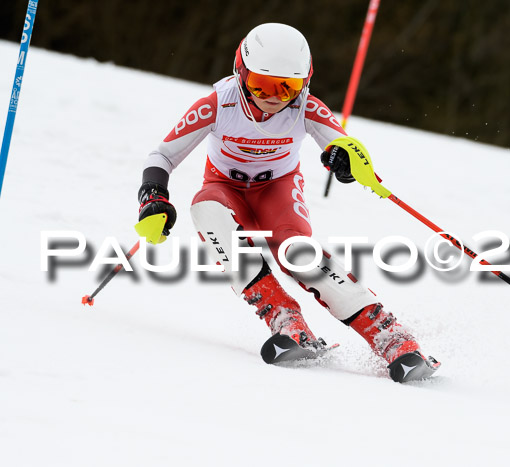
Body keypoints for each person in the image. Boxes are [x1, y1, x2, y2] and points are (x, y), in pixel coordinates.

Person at [137, 23, 439, 382]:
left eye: (288, 87)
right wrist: (153, 197)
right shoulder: (218, 103)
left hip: (276, 191)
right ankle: (286, 320)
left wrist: (344, 158)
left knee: (295, 251)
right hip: (225, 189)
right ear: (241, 72)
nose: (275, 97)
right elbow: (163, 156)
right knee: (204, 208)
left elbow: (346, 144)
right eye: (261, 85)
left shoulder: (304, 107)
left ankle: (392, 338)